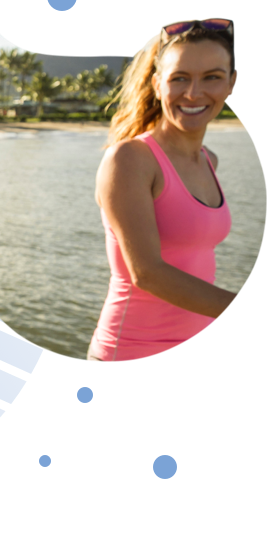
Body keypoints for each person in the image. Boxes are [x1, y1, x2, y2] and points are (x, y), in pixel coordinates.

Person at [88, 18, 238, 362]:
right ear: (158, 84)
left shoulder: (208, 161)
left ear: (231, 83)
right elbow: (147, 273)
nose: (193, 93)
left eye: (212, 77)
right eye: (180, 78)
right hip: (129, 351)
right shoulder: (130, 159)